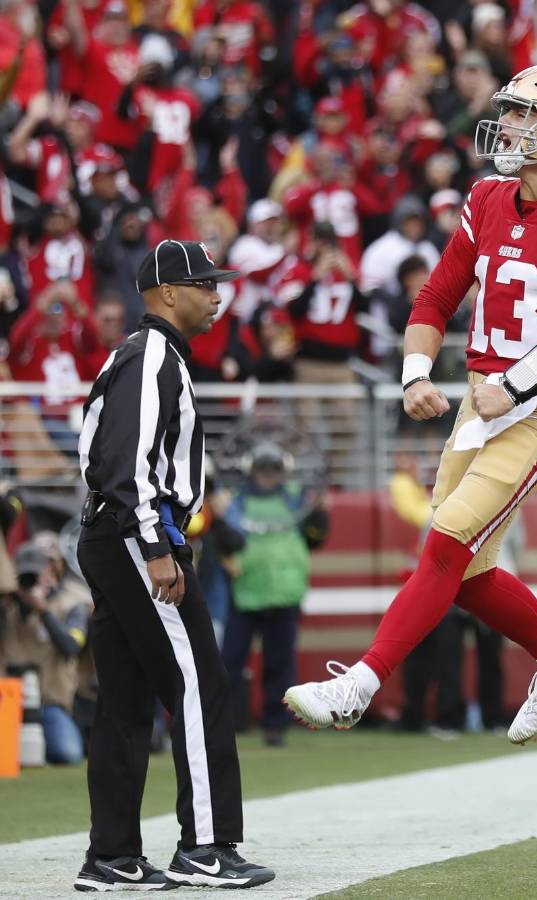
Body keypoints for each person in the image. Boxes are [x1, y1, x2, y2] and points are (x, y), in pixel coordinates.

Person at [284, 65, 537, 745]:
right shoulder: (486, 198)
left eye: (522, 114)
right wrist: (415, 375)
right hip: (481, 405)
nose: (505, 125)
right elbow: (436, 296)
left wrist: (514, 385)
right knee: (466, 573)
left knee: (448, 540)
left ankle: (359, 684)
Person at [74, 239, 273, 891]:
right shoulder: (152, 355)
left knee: (126, 697)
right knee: (197, 683)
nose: (217, 295)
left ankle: (112, 856)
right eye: (204, 284)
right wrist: (156, 547)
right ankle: (205, 848)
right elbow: (125, 463)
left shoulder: (152, 355)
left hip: (119, 534)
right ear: (166, 292)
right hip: (137, 534)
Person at [221, 442, 329, 748]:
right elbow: (225, 537)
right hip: (244, 591)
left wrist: (320, 512)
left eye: (273, 470)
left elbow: (317, 536)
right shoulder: (235, 501)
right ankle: (223, 723)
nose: (268, 476)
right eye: (263, 470)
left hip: (285, 593)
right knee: (229, 662)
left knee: (279, 664)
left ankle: (276, 725)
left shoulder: (297, 498)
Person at [0, 541, 92, 765]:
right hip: (7, 702)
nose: (29, 582)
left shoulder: (70, 604)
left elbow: (71, 647)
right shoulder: (7, 606)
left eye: (34, 575)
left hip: (50, 703)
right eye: (25, 576)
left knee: (67, 753)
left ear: (49, 572)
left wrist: (43, 610)